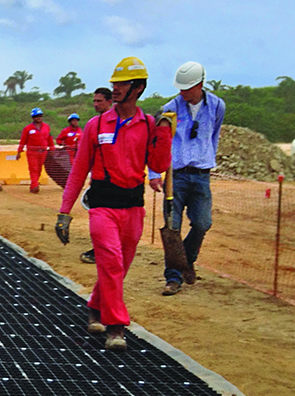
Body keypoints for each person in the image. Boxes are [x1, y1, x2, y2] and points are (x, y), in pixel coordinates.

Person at [55, 56, 171, 350]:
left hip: (133, 207)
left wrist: (164, 134)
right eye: (114, 84)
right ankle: (116, 327)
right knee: (112, 263)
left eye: (122, 84)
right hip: (103, 206)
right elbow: (79, 170)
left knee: (119, 266)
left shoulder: (147, 124)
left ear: (138, 88)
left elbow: (158, 163)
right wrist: (64, 212)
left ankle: (95, 305)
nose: (115, 89)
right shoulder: (96, 126)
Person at [149, 61, 226, 296]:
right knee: (172, 227)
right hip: (176, 176)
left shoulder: (216, 106)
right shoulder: (169, 109)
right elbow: (157, 143)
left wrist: (208, 161)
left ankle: (186, 263)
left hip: (201, 175)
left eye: (187, 89)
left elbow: (214, 135)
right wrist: (154, 174)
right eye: (180, 89)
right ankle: (173, 278)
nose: (183, 93)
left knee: (203, 223)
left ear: (200, 84)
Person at [79, 87, 116, 265]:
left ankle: (106, 251)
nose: (95, 104)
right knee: (99, 219)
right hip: (100, 181)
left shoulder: (119, 123)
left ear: (110, 101)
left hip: (118, 183)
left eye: (99, 101)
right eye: (94, 101)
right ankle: (99, 250)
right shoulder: (94, 124)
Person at [16, 108, 54, 193]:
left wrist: (52, 148)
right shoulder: (28, 129)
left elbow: (49, 138)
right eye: (36, 116)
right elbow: (23, 141)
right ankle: (34, 186)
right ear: (33, 118)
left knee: (39, 169)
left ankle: (34, 184)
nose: (39, 118)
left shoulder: (46, 127)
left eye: (40, 116)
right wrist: (19, 152)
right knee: (34, 169)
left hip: (43, 152)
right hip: (32, 152)